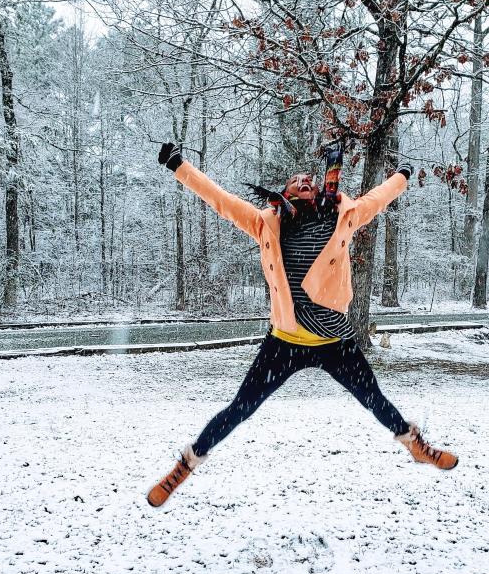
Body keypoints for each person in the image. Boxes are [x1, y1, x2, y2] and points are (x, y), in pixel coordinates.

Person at [147, 141, 458, 507]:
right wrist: (179, 166)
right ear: (285, 193)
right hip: (285, 342)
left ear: (320, 187)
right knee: (240, 408)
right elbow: (221, 201)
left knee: (373, 398)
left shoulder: (343, 215)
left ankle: (415, 445)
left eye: (308, 179)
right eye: (296, 181)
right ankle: (186, 464)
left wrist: (401, 177)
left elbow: (376, 199)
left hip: (334, 342)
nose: (303, 181)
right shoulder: (266, 224)